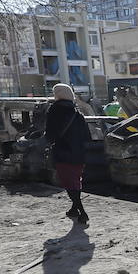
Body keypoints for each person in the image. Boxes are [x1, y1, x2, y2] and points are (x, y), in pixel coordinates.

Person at [45, 83, 90, 226]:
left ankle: (82, 212)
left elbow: (50, 135)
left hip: (63, 153)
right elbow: (87, 136)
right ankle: (74, 210)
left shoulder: (54, 111)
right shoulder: (77, 113)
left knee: (69, 183)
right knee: (75, 181)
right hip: (79, 154)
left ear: (57, 94)